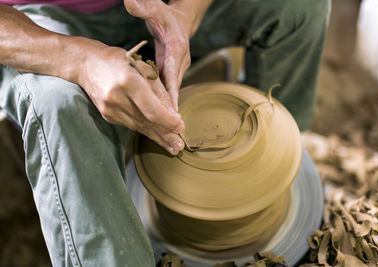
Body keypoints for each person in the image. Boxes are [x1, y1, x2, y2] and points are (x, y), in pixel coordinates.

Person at [0, 0, 330, 266]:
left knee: (300, 5)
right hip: (33, 24)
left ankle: (281, 163)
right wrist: (79, 61)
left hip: (148, 6)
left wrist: (187, 11)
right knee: (62, 106)